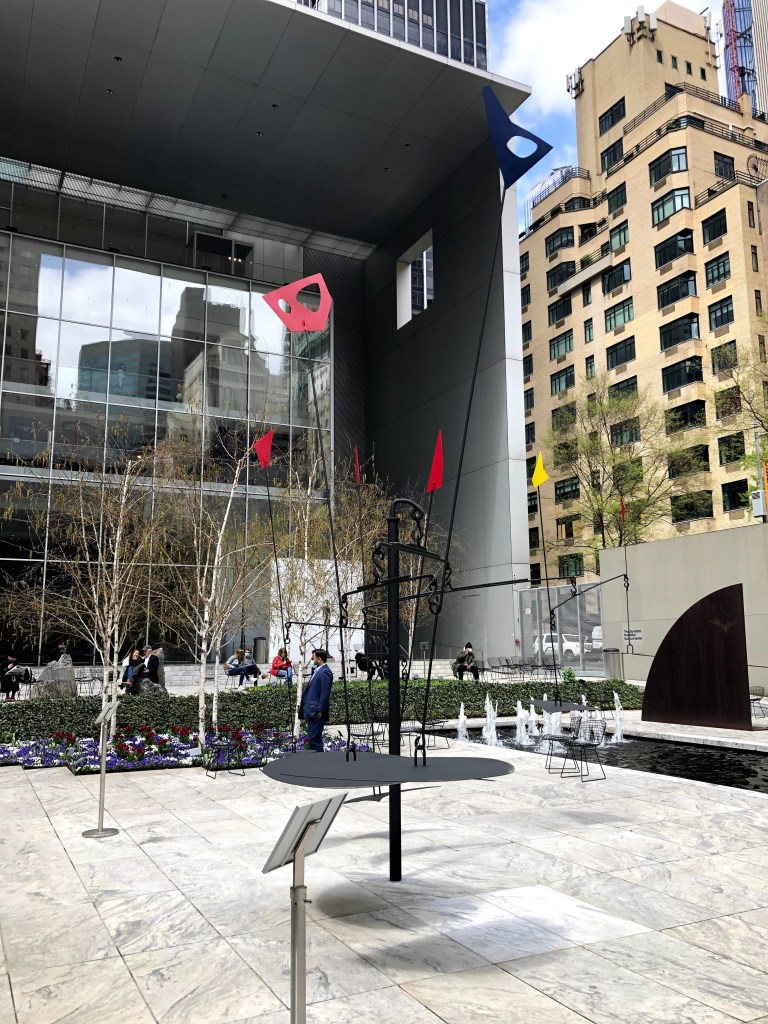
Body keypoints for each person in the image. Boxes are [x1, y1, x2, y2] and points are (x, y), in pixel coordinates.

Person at [299, 649, 333, 752]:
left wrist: (319, 711)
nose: (312, 660)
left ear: (319, 659)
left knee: (314, 739)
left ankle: (320, 763)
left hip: (316, 712)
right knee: (312, 738)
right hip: (312, 711)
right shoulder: (318, 671)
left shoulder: (325, 672)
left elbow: (325, 694)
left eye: (313, 658)